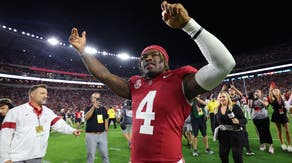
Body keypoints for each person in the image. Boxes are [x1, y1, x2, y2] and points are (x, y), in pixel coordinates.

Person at [69, 1, 236, 162]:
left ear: (166, 62)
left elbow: (224, 65)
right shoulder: (135, 85)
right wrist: (83, 52)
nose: (148, 58)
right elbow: (104, 75)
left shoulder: (180, 81)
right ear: (140, 66)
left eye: (155, 55)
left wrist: (189, 26)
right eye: (143, 58)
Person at [0, 84, 81, 163]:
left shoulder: (48, 112)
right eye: (42, 93)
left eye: (46, 94)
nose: (46, 96)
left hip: (37, 157)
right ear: (32, 94)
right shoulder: (16, 112)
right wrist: (4, 158)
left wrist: (72, 130)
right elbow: (5, 136)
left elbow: (60, 125)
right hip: (17, 158)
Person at [214, 91, 247, 163]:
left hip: (236, 135)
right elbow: (216, 123)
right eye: (220, 97)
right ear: (218, 99)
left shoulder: (235, 107)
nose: (222, 98)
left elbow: (244, 120)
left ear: (227, 97)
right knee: (223, 156)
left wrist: (238, 121)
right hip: (223, 136)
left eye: (223, 96)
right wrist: (216, 133)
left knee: (237, 157)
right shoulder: (217, 109)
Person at [84, 92, 109, 163]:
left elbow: (106, 118)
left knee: (105, 155)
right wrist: (93, 107)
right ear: (92, 99)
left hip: (102, 134)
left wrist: (106, 129)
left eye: (98, 98)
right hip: (91, 135)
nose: (96, 99)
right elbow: (86, 117)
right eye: (95, 97)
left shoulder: (103, 108)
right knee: (91, 156)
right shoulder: (88, 108)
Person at [269, 83, 292, 152]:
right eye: (274, 90)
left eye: (277, 90)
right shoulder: (272, 98)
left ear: (279, 91)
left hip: (283, 115)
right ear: (273, 92)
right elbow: (270, 97)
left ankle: (289, 145)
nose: (276, 91)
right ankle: (282, 143)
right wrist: (271, 90)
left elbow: (285, 104)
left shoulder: (282, 97)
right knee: (279, 131)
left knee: (287, 130)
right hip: (277, 115)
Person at [250, 89, 274, 154]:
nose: (256, 93)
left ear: (261, 93)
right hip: (256, 118)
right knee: (259, 132)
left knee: (267, 131)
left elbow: (266, 105)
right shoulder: (252, 99)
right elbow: (250, 106)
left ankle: (271, 145)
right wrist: (251, 99)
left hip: (264, 118)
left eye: (258, 92)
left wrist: (259, 99)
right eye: (255, 91)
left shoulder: (264, 98)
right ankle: (262, 144)